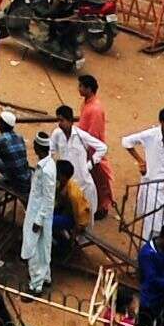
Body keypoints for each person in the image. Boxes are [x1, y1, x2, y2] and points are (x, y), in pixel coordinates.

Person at [122, 110, 164, 242]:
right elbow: (126, 142)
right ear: (162, 122)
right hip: (152, 185)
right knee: (150, 220)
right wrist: (140, 161)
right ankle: (147, 248)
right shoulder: (149, 135)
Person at [49, 105, 105, 223]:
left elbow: (102, 148)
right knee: (69, 213)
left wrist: (89, 165)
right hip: (67, 183)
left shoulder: (81, 136)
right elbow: (51, 152)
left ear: (70, 120)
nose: (59, 123)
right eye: (58, 120)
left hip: (83, 183)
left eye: (62, 120)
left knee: (86, 216)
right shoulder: (57, 134)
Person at [22, 132, 58, 294]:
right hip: (39, 213)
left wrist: (39, 220)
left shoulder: (46, 170)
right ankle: (45, 277)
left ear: (38, 147)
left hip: (39, 215)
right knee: (43, 248)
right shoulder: (48, 164)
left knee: (34, 250)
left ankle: (35, 286)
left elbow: (48, 198)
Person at [77, 73, 115, 219]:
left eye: (81, 86)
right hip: (85, 147)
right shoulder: (87, 103)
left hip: (92, 150)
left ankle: (102, 207)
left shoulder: (95, 109)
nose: (79, 89)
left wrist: (87, 151)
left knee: (99, 180)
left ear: (88, 89)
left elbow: (94, 134)